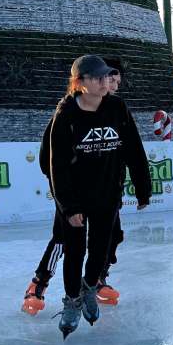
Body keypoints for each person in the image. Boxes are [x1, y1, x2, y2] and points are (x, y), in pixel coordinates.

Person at [47, 55, 151, 338]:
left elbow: (134, 150)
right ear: (80, 83)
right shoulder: (66, 114)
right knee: (75, 252)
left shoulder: (117, 107)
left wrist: (143, 189)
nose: (105, 81)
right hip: (75, 198)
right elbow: (55, 164)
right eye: (97, 77)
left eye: (106, 76)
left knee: (100, 250)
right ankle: (72, 301)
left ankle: (90, 287)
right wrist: (68, 206)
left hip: (107, 194)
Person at [23, 62, 128, 315]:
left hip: (106, 192)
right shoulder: (68, 111)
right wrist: (64, 193)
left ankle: (97, 279)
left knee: (112, 236)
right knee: (63, 240)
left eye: (115, 82)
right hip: (71, 194)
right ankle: (39, 282)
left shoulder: (114, 112)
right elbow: (49, 155)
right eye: (109, 81)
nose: (112, 87)